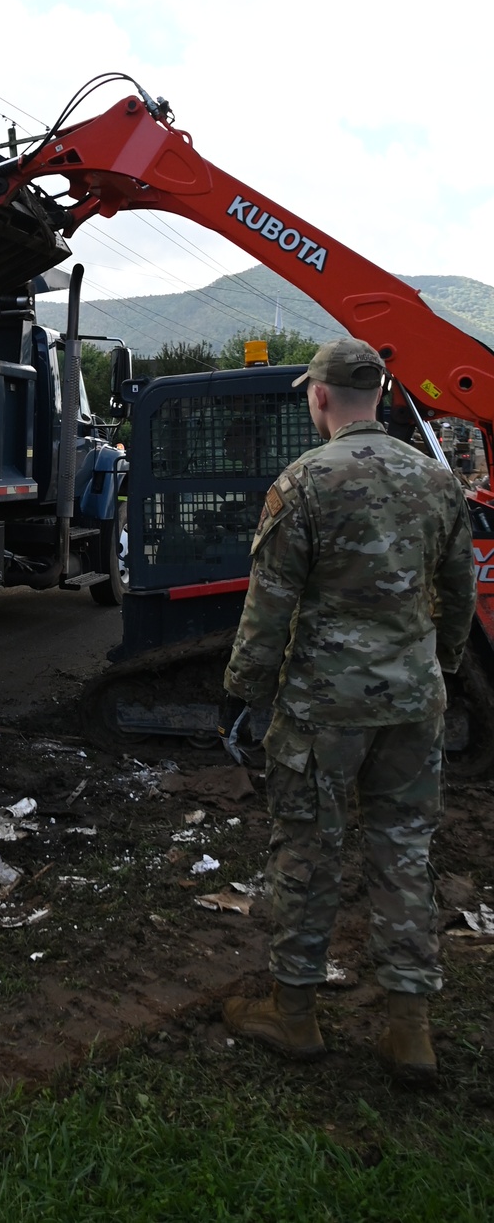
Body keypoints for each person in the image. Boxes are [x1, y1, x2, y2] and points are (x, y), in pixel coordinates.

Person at [220, 338, 476, 1081]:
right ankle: (409, 1030)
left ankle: (294, 1015)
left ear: (321, 396)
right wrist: (440, 667)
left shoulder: (304, 483)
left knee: (308, 849)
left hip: (323, 709)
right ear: (384, 396)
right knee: (404, 849)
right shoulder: (436, 481)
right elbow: (458, 596)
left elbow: (268, 612)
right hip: (412, 701)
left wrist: (243, 693)